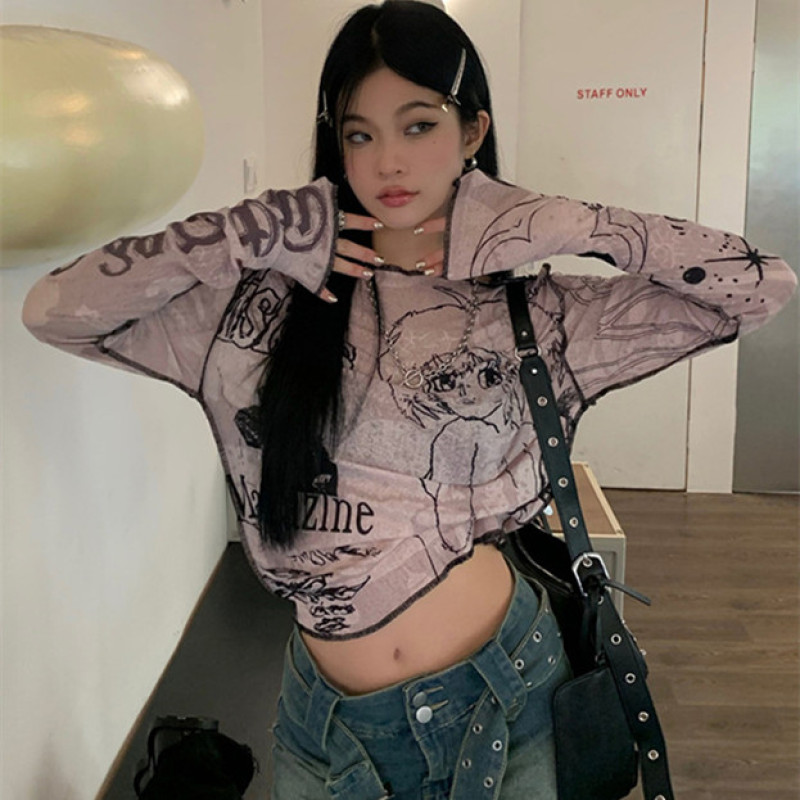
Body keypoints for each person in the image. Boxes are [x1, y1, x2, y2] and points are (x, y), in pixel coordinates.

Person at [21, 2, 797, 798]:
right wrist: (243, 232)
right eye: (359, 134)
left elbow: (761, 286)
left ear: (472, 132)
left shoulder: (539, 314)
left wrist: (568, 223)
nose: (387, 161)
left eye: (419, 125)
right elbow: (55, 310)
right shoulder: (257, 308)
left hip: (505, 697)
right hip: (324, 725)